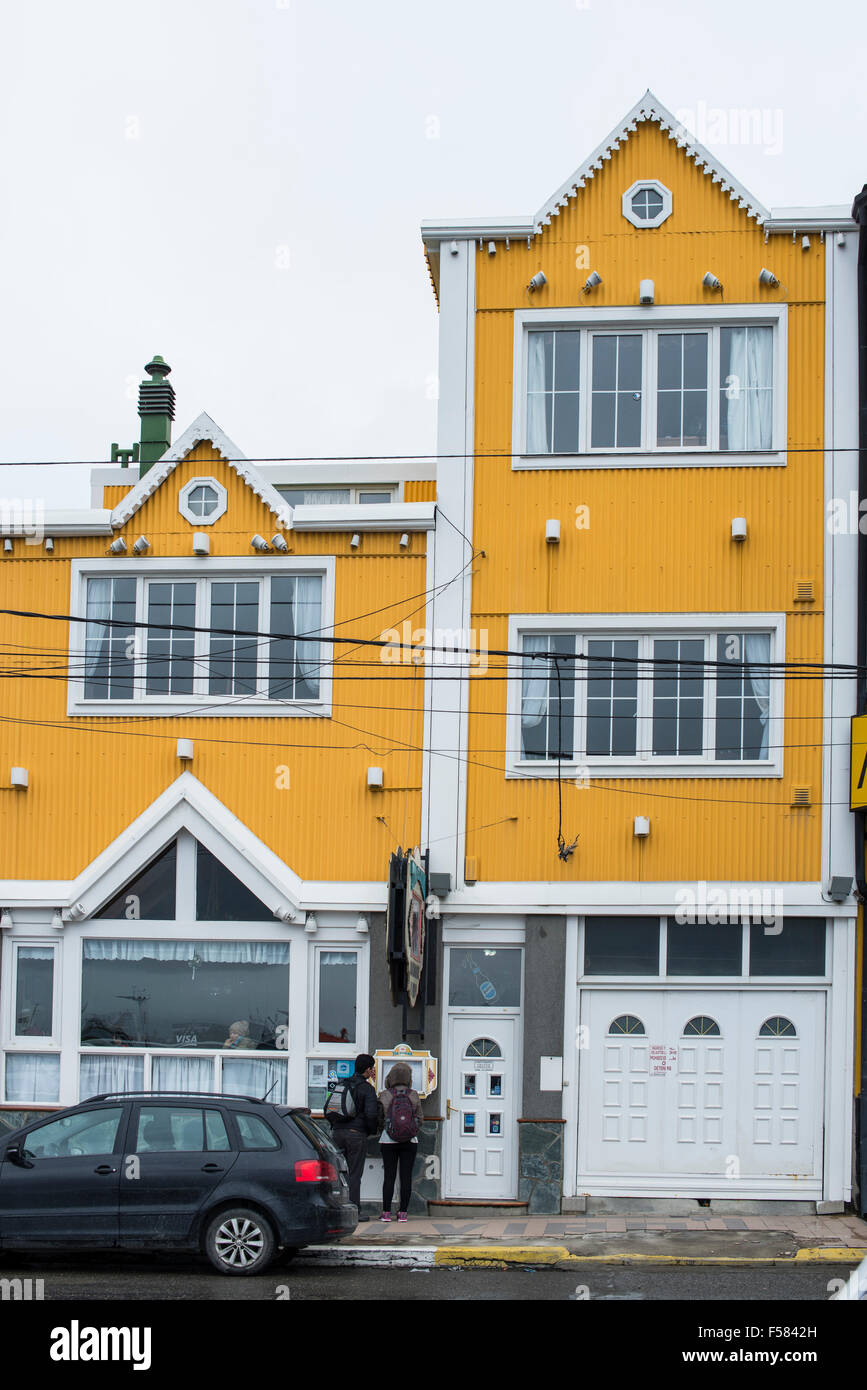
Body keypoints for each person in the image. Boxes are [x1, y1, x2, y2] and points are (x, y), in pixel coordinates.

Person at [327, 1053, 379, 1220]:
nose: (373, 1072)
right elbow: (371, 1115)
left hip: (337, 1133)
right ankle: (354, 1211)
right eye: (372, 1068)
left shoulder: (342, 1084)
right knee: (354, 1174)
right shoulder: (367, 1089)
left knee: (337, 1173)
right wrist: (370, 1131)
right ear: (368, 1069)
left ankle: (336, 1209)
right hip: (356, 1135)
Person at [378, 1061, 422, 1223]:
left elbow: (380, 1118)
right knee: (406, 1177)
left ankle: (386, 1213)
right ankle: (403, 1213)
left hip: (388, 1140)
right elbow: (420, 1119)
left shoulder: (384, 1095)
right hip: (410, 1141)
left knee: (389, 1176)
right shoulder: (414, 1095)